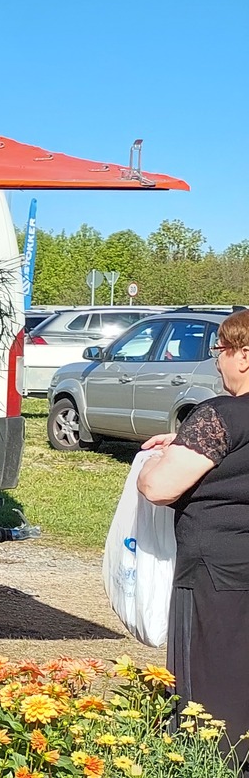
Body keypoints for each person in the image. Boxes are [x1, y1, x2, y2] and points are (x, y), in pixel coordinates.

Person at [137, 309, 249, 754]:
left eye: (220, 350)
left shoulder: (219, 414)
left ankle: (217, 775)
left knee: (214, 675)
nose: (217, 362)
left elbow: (161, 488)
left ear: (244, 355)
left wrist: (151, 467)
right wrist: (183, 446)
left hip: (214, 570)